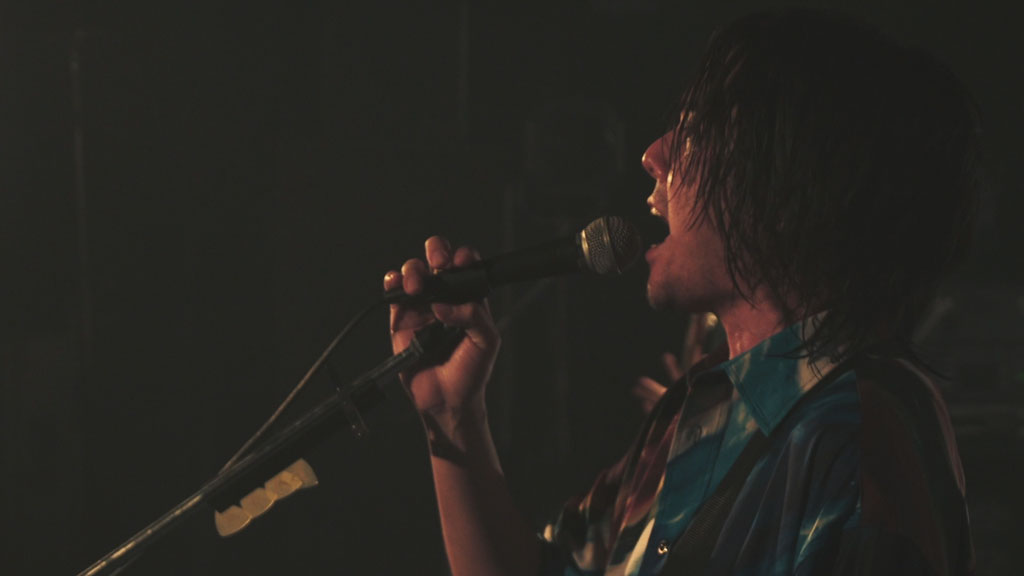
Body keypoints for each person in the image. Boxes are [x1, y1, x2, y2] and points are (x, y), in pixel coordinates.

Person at [383, 9, 980, 576]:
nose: (653, 155)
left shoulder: (861, 431)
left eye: (695, 130)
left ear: (788, 181)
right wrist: (454, 416)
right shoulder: (697, 408)